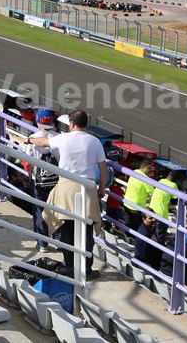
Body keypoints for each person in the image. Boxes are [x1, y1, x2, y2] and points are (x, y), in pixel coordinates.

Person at [32, 110, 110, 280]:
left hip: (66, 186)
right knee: (86, 230)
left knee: (65, 228)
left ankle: (70, 266)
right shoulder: (95, 141)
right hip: (88, 187)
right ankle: (86, 269)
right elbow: (103, 170)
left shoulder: (62, 138)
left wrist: (30, 139)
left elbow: (42, 141)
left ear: (71, 124)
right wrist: (101, 189)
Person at [122, 159, 156, 233]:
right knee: (137, 228)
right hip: (136, 207)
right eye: (149, 168)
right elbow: (153, 193)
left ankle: (127, 237)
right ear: (144, 167)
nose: (151, 170)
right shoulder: (146, 179)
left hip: (127, 203)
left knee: (128, 225)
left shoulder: (135, 171)